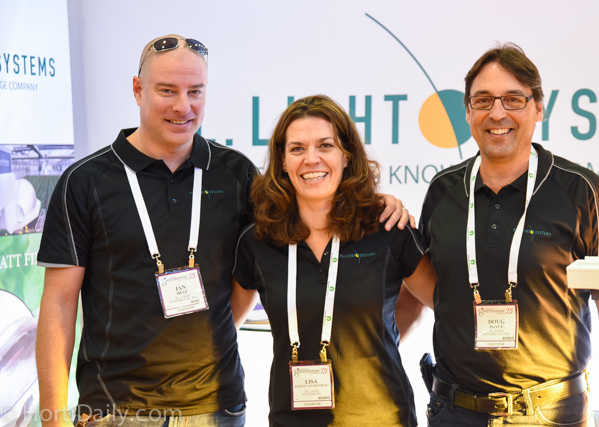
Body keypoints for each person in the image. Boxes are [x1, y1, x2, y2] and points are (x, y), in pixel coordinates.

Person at [35, 36, 410, 427]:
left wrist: (374, 204)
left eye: (195, 91)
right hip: (115, 409)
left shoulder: (236, 173)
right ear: (138, 89)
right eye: (167, 90)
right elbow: (59, 302)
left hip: (218, 407)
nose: (183, 106)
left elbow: (304, 217)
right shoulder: (86, 181)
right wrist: (53, 417)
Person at [413, 43, 599, 426]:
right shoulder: (443, 190)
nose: (497, 113)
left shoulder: (581, 191)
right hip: (453, 410)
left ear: (538, 108)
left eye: (513, 99)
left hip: (550, 413)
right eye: (483, 100)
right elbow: (429, 281)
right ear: (468, 112)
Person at [231, 95, 435, 427]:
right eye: (297, 149)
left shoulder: (387, 228)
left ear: (346, 155)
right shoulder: (257, 241)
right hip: (292, 420)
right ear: (282, 161)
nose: (311, 159)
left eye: (325, 146)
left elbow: (448, 307)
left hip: (382, 418)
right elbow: (224, 327)